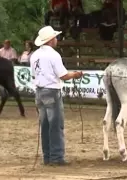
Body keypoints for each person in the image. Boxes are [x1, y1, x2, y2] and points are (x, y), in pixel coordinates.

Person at [30, 26, 83, 166]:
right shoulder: (54, 55)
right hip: (52, 91)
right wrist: (75, 74)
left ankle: (47, 157)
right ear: (51, 40)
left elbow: (34, 74)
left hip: (39, 92)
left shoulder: (34, 55)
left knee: (45, 125)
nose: (56, 39)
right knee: (56, 124)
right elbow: (63, 75)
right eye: (55, 37)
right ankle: (57, 157)